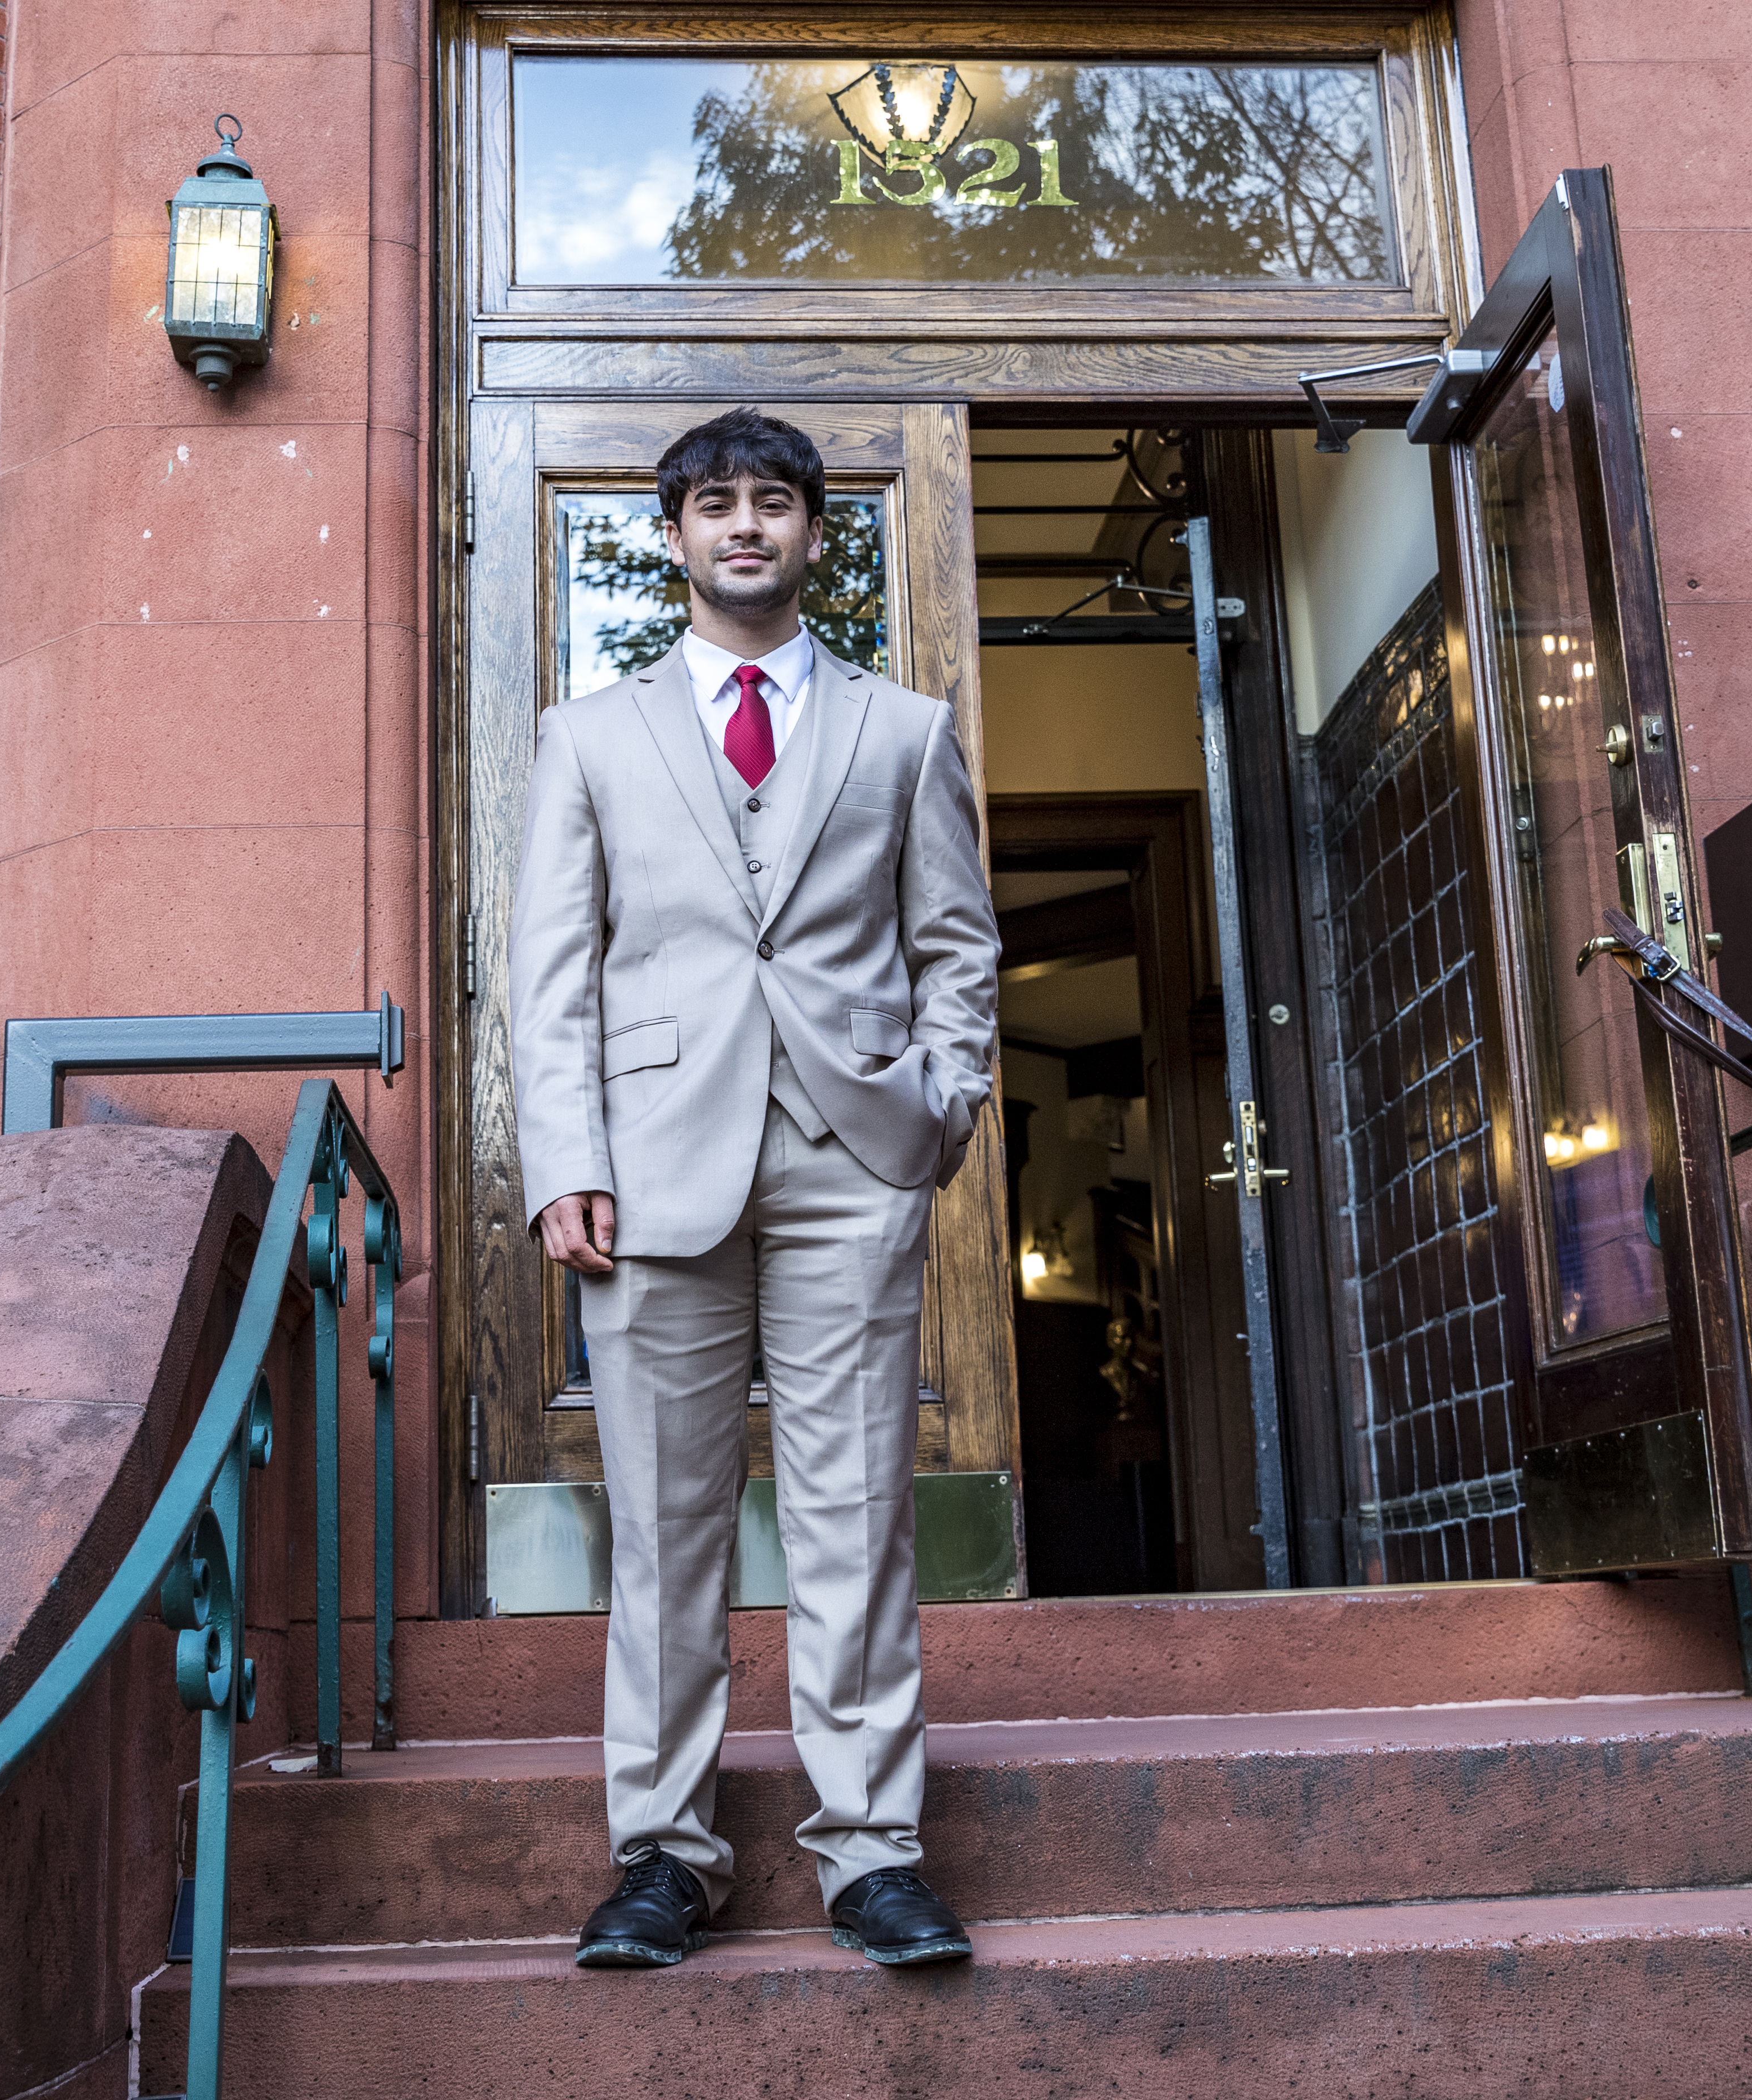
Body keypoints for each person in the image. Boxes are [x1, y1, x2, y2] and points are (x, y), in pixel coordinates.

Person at [507, 406, 1001, 1970]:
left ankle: (871, 1851)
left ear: (812, 532)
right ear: (673, 539)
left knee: (857, 1512)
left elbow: (958, 951)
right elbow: (551, 974)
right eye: (713, 505)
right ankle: (664, 1855)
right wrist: (564, 1163)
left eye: (772, 505)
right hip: (651, 1177)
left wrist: (941, 1110)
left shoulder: (904, 731)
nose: (743, 528)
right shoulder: (589, 736)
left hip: (854, 1161)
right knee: (666, 1527)